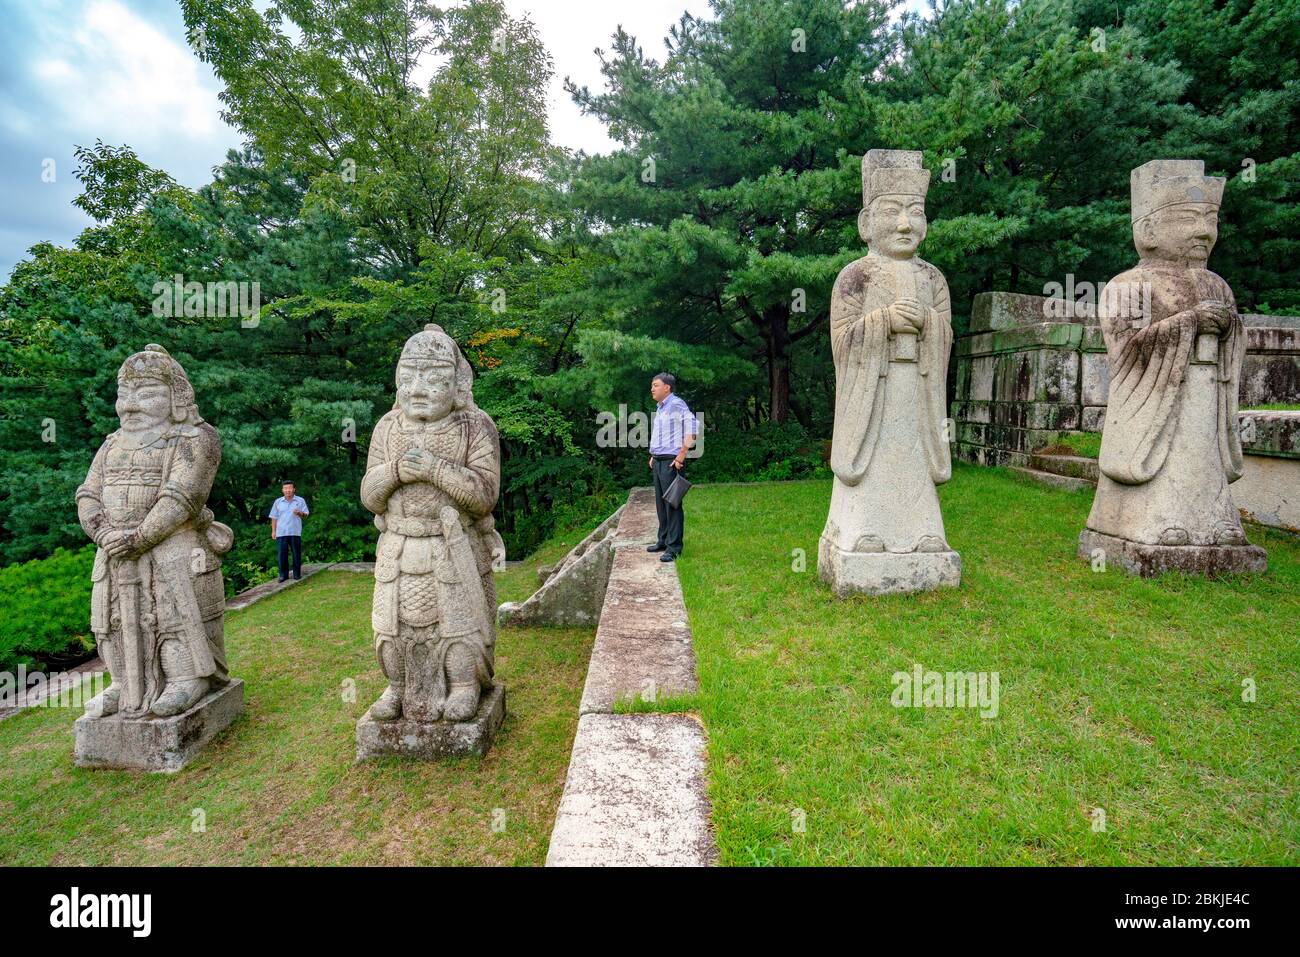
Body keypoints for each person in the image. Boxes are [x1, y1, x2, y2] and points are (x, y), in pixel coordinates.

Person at [646, 373, 697, 563]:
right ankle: (664, 540)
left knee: (673, 504)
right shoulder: (660, 407)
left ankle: (674, 547)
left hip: (671, 462)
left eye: (656, 385)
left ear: (667, 388)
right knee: (661, 504)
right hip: (659, 461)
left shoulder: (676, 404)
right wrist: (654, 455)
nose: (652, 388)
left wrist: (681, 454)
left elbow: (692, 428)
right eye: (652, 385)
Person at [268, 481, 309, 581]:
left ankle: (297, 574)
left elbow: (306, 514)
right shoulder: (278, 502)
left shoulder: (300, 500)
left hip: (295, 531)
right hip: (281, 532)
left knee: (296, 554)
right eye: (285, 488)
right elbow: (274, 517)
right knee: (282, 554)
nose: (287, 490)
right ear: (282, 490)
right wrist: (273, 531)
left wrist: (300, 513)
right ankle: (283, 575)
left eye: (289, 488)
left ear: (294, 489)